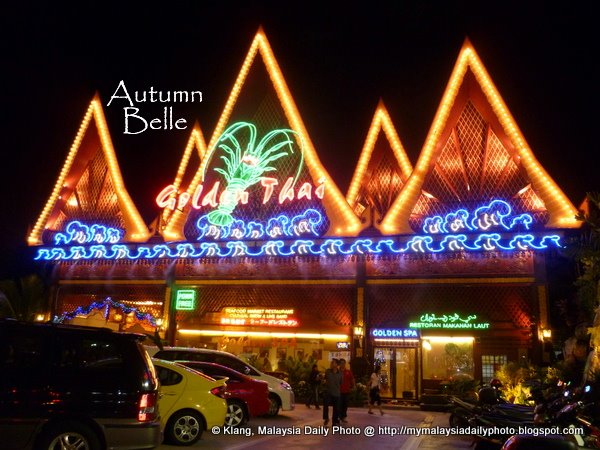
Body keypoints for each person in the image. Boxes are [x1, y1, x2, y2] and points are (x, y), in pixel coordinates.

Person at [322, 358, 342, 426]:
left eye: (333, 363)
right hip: (328, 392)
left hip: (336, 393)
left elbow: (341, 382)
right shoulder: (327, 371)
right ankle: (326, 418)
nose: (331, 364)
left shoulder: (340, 374)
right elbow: (324, 379)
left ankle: (334, 421)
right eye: (331, 363)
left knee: (336, 408)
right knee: (325, 406)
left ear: (337, 365)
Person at [339, 358, 355, 423]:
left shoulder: (348, 372)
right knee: (339, 405)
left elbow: (352, 379)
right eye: (341, 363)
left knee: (345, 405)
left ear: (345, 364)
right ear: (339, 364)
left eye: (343, 363)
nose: (342, 364)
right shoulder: (337, 371)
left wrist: (354, 386)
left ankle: (343, 417)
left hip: (346, 391)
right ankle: (339, 417)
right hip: (339, 392)